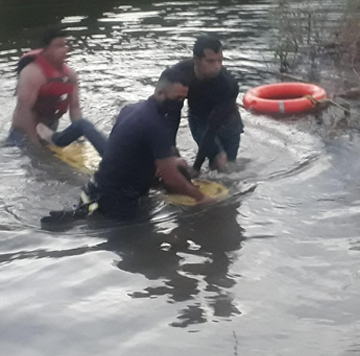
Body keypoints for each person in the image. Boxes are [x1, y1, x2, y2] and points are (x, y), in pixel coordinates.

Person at [43, 68, 217, 223]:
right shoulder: (156, 124)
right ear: (161, 93)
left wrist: (174, 162)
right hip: (119, 206)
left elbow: (133, 157)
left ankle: (79, 216)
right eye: (178, 98)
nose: (180, 103)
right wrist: (201, 198)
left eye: (183, 99)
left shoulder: (132, 109)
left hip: (95, 190)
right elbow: (170, 178)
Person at [8, 27, 107, 154]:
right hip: (23, 135)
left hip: (49, 130)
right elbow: (24, 110)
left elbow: (75, 108)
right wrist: (35, 144)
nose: (64, 49)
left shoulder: (70, 75)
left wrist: (80, 139)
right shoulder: (32, 73)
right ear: (46, 49)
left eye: (65, 45)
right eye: (58, 46)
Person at [171, 36, 243, 173]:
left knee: (227, 168)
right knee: (216, 158)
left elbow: (212, 129)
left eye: (220, 60)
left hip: (228, 120)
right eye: (210, 61)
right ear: (196, 60)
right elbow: (171, 113)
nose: (217, 66)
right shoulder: (179, 74)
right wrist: (171, 149)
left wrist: (196, 168)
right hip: (198, 117)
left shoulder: (228, 85)